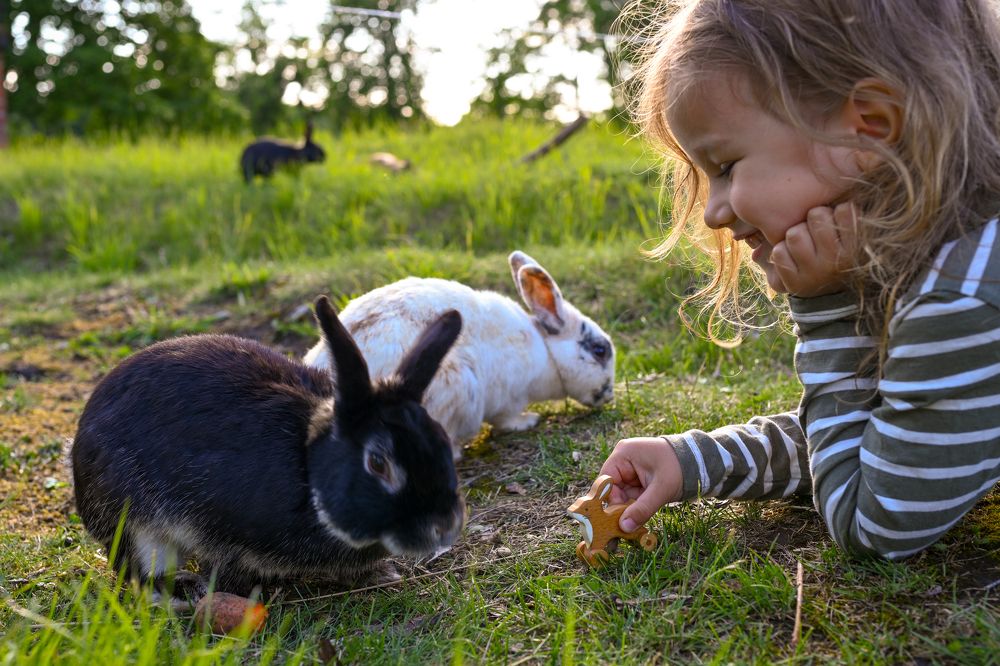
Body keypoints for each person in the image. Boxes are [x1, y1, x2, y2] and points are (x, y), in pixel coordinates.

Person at [600, 0, 1000, 560]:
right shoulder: (949, 257)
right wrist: (689, 462)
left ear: (871, 129)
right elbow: (872, 438)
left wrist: (825, 303)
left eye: (726, 166)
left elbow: (875, 521)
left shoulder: (955, 298)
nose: (713, 212)